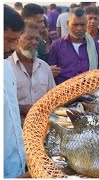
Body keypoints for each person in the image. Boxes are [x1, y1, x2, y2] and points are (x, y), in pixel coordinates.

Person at [7, 22, 56, 120]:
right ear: (17, 39)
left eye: (37, 39)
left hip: (41, 126)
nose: (35, 42)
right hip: (14, 127)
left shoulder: (45, 67)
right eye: (29, 38)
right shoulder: (6, 67)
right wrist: (21, 108)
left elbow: (53, 97)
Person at [48, 8, 99, 85]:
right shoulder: (57, 46)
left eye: (82, 25)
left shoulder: (95, 46)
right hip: (64, 94)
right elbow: (50, 72)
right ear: (68, 24)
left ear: (87, 24)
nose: (79, 28)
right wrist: (49, 71)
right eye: (75, 25)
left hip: (90, 93)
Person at [4, 4, 30, 178]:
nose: (14, 47)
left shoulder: (5, 66)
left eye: (16, 40)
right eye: (9, 39)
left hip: (17, 167)